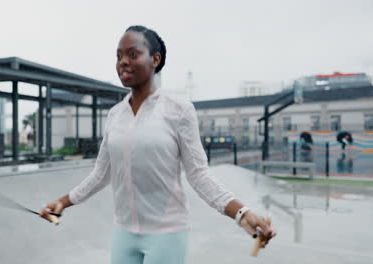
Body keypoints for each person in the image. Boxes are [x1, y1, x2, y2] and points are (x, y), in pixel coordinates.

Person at [40, 25, 276, 264]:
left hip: (167, 234)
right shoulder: (114, 115)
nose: (123, 62)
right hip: (124, 233)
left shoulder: (179, 109)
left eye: (132, 54)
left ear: (155, 59)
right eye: (119, 56)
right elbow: (102, 173)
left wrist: (240, 212)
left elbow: (198, 174)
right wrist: (62, 202)